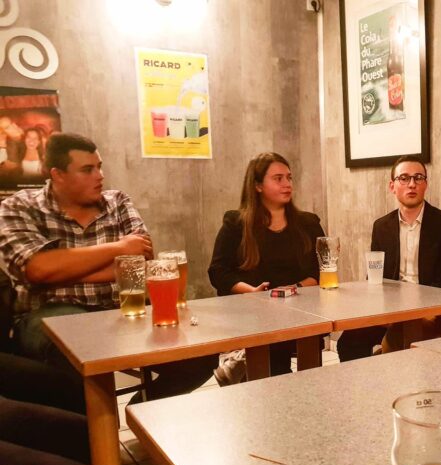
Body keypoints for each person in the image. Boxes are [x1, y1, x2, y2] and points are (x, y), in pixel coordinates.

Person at [0, 132, 216, 402]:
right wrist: (119, 249)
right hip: (48, 314)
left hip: (120, 311)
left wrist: (63, 270)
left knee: (200, 355)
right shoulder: (19, 206)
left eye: (99, 166)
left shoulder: (118, 202)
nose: (99, 176)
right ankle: (93, 436)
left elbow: (141, 265)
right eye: (87, 170)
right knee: (75, 347)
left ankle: (138, 415)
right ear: (57, 175)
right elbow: (37, 269)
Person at [208, 152, 325, 380]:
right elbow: (218, 272)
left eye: (289, 178)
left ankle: (240, 364)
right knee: (277, 371)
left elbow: (321, 270)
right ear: (258, 186)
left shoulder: (309, 223)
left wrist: (294, 289)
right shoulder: (236, 224)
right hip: (255, 313)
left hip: (302, 308)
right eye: (278, 178)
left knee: (296, 370)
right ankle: (245, 363)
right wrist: (253, 293)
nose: (287, 184)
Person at [336, 155, 441, 361]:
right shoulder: (382, 226)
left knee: (409, 352)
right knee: (349, 343)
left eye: (418, 178)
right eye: (404, 178)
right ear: (392, 186)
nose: (411, 184)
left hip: (428, 309)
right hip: (390, 308)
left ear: (426, 184)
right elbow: (375, 278)